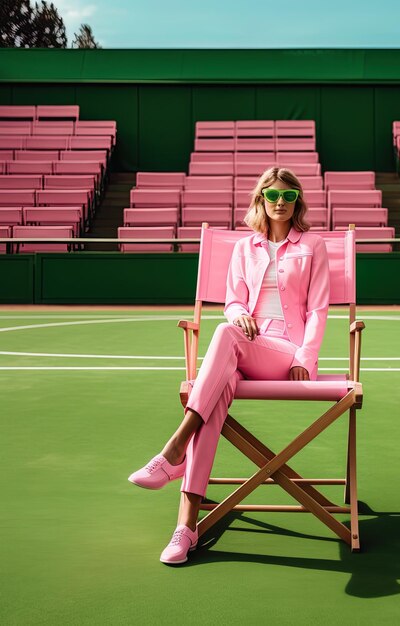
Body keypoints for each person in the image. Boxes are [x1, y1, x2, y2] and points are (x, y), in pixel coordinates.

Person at [128, 166, 330, 565]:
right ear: (261, 199)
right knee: (217, 386)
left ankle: (173, 450)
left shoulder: (313, 245)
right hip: (243, 345)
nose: (280, 204)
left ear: (298, 201)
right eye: (272, 196)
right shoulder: (244, 248)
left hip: (285, 351)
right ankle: (186, 527)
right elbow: (233, 301)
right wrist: (239, 316)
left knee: (222, 335)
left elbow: (319, 308)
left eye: (288, 197)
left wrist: (305, 358)